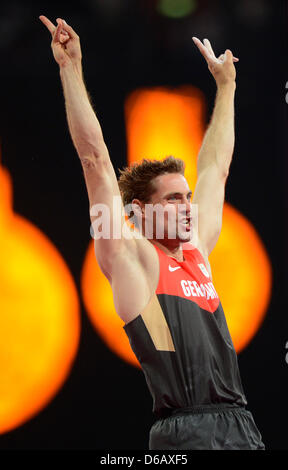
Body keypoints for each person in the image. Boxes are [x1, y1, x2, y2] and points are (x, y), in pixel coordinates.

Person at [39, 15, 265, 450]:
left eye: (187, 196)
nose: (187, 209)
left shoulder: (196, 251)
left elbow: (216, 167)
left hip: (242, 426)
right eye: (174, 200)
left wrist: (227, 87)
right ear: (140, 212)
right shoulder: (128, 256)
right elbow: (95, 160)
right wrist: (70, 69)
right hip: (186, 432)